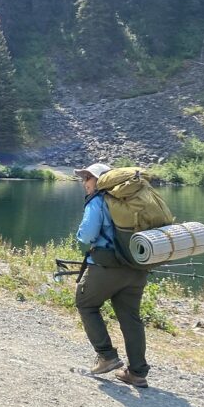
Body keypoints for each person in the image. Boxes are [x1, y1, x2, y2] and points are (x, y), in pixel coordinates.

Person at [74, 161, 149, 388]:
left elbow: (86, 236)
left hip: (107, 267)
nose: (84, 183)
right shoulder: (133, 202)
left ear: (99, 181)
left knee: (85, 303)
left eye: (87, 178)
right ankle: (137, 373)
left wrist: (82, 241)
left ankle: (106, 356)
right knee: (130, 318)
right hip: (137, 267)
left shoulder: (98, 201)